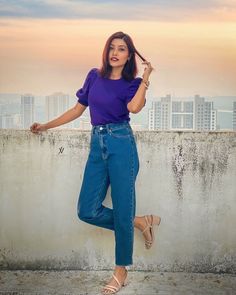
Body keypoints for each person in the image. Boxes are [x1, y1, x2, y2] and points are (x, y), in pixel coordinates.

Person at [30, 31, 161, 295]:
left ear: (129, 55)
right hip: (97, 145)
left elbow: (134, 109)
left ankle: (120, 272)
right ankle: (138, 221)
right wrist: (45, 126)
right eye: (112, 47)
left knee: (122, 207)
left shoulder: (132, 83)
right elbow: (77, 110)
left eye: (122, 49)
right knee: (86, 210)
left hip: (122, 144)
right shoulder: (94, 76)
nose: (115, 52)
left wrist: (146, 78)